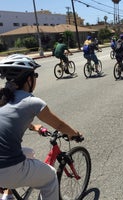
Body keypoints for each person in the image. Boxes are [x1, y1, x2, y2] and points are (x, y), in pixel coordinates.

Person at [0, 54, 82, 200]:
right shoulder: (32, 102)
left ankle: (8, 195)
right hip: (7, 169)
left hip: (4, 167)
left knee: (28, 152)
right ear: (29, 79)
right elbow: (59, 125)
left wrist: (33, 127)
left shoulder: (3, 98)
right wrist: (74, 133)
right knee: (50, 177)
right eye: (35, 75)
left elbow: (10, 117)